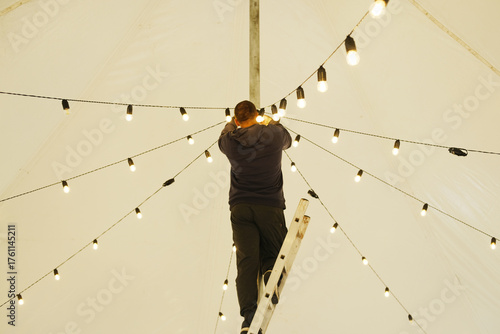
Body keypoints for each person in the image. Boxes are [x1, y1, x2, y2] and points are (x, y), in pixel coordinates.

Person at [218, 100, 292, 334]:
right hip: (270, 205)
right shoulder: (274, 136)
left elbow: (225, 132)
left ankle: (248, 317)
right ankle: (270, 271)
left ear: (238, 120)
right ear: (256, 115)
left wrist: (233, 123)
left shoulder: (230, 142)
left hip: (241, 207)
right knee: (275, 249)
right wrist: (266, 120)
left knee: (246, 260)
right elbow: (287, 139)